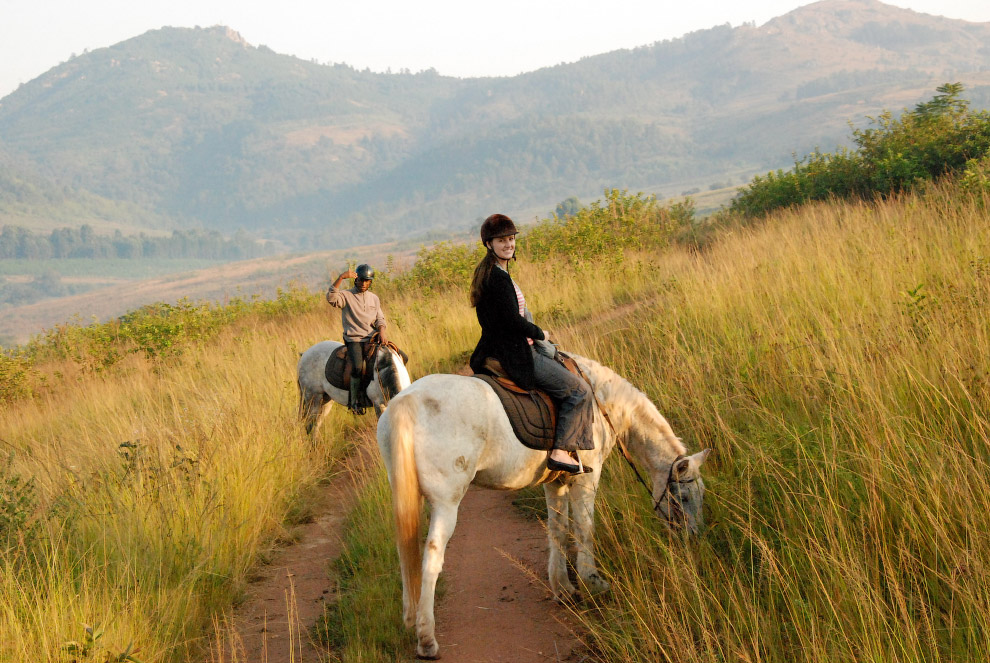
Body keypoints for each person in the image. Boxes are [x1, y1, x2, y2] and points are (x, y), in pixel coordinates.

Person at [469, 213, 595, 474]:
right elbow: (512, 321)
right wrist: (541, 334)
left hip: (499, 347)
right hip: (516, 352)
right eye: (502, 240)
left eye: (511, 239)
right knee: (579, 391)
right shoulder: (498, 278)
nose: (508, 244)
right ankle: (561, 451)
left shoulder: (492, 272)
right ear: (489, 244)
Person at [326, 263, 388, 414]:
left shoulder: (374, 298)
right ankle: (354, 402)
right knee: (358, 367)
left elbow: (380, 318)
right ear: (356, 280)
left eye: (367, 281)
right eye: (361, 280)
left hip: (372, 338)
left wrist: (382, 331)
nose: (364, 283)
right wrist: (341, 277)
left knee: (398, 357)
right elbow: (331, 298)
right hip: (354, 339)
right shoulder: (346, 296)